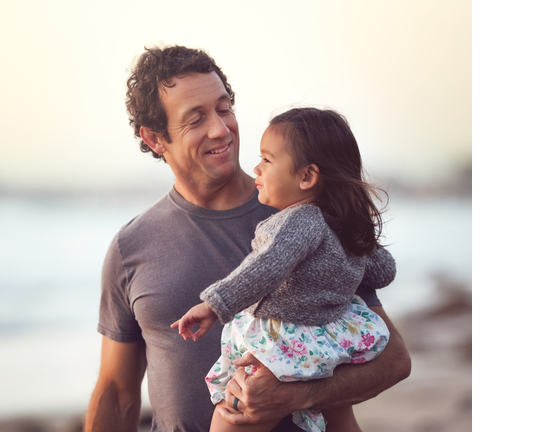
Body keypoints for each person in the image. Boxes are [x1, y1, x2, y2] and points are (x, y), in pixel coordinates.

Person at [85, 45, 411, 432]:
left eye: (224, 108)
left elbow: (393, 361)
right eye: (196, 118)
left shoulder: (309, 215)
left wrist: (295, 397)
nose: (221, 128)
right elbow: (117, 392)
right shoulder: (131, 247)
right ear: (156, 139)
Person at [171, 107, 395, 432]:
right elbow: (384, 272)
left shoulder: (299, 219)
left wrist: (214, 305)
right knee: (339, 417)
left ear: (306, 177)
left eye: (267, 160)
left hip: (284, 340)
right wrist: (360, 242)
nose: (256, 168)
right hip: (328, 342)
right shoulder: (343, 227)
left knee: (231, 415)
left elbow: (265, 267)